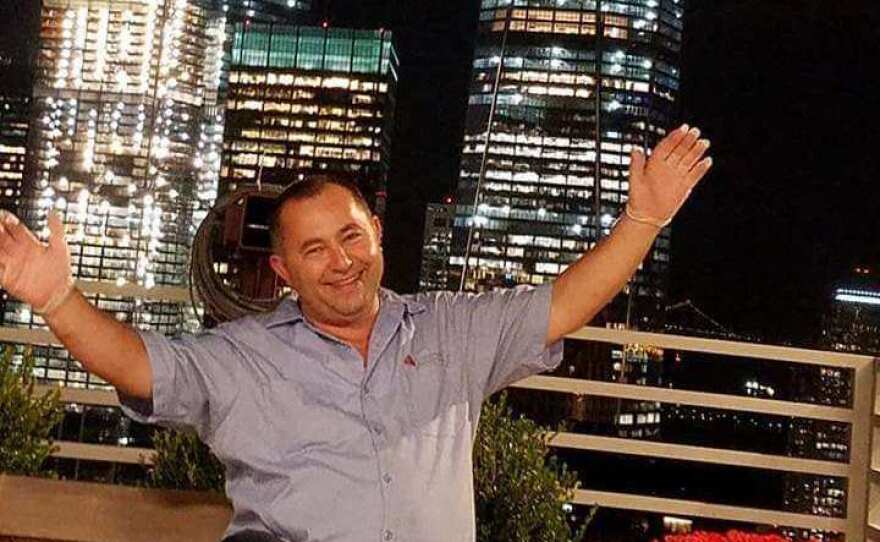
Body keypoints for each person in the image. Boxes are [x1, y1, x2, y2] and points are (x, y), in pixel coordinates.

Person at [0, 124, 711, 541]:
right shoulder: (245, 359)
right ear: (283, 271)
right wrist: (57, 298)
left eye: (350, 237)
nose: (340, 262)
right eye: (314, 250)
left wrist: (643, 220)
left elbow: (564, 304)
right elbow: (139, 366)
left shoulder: (450, 331)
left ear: (376, 233)